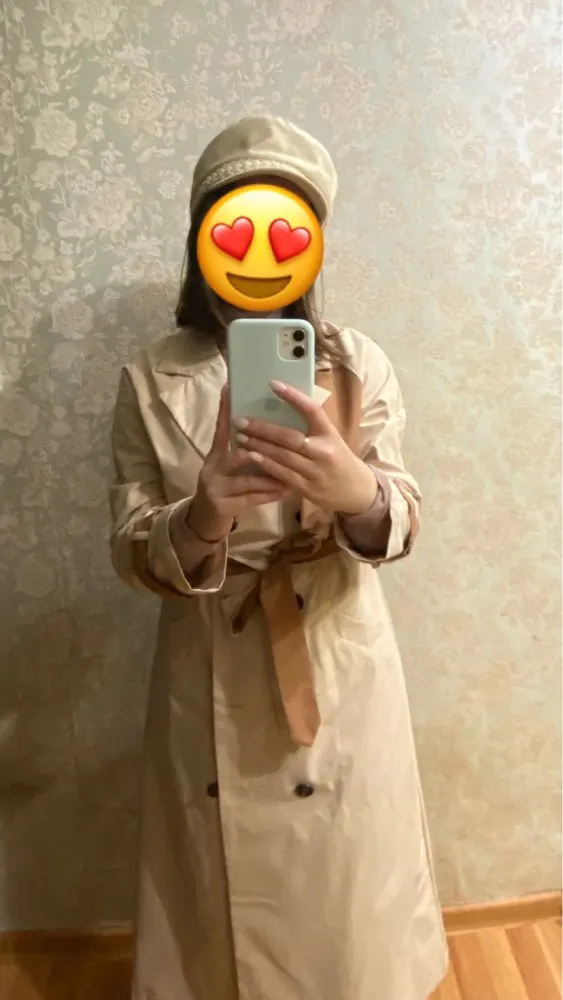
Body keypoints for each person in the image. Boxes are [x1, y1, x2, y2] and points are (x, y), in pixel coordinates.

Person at [109, 116, 448, 1000]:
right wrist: (203, 516)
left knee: (345, 901)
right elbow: (129, 545)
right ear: (202, 243)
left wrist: (355, 492)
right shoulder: (150, 377)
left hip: (335, 662)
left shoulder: (357, 364)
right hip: (208, 664)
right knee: (217, 922)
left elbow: (403, 515)